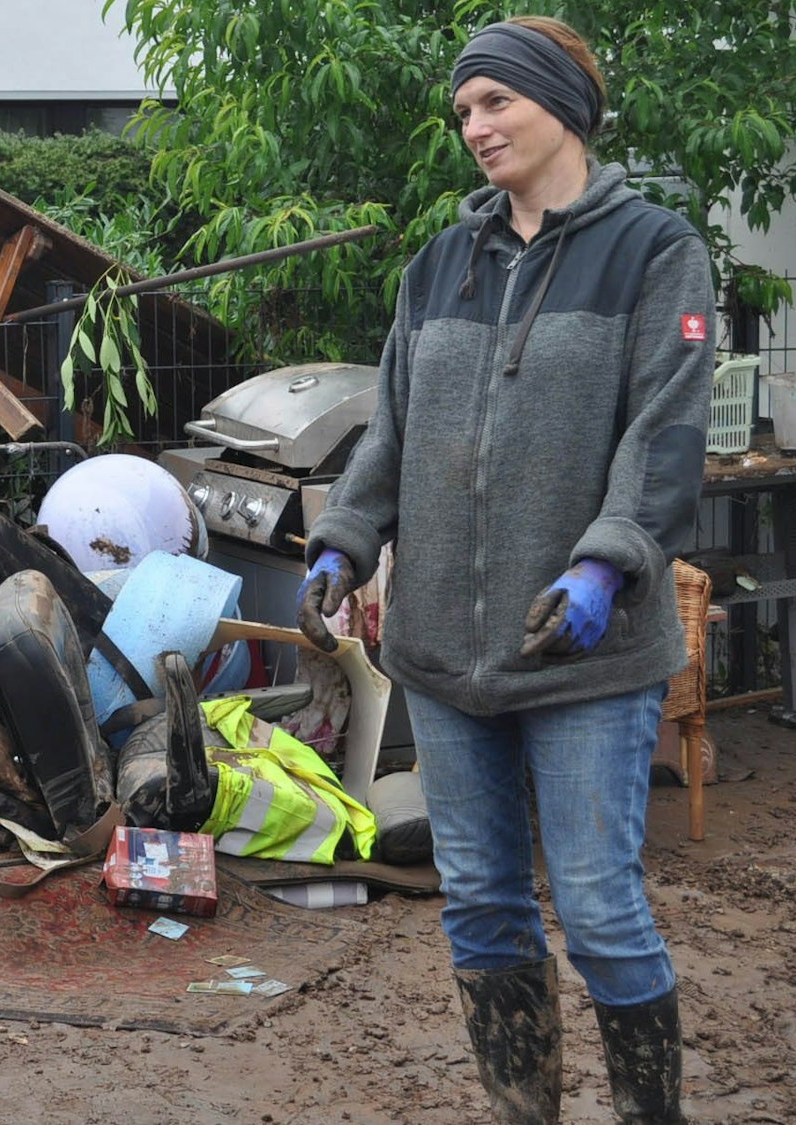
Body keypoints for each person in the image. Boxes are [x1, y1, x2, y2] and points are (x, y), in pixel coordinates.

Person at [299, 17, 711, 1124]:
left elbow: (662, 438)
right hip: (441, 651)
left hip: (582, 647)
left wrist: (604, 566)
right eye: (462, 113)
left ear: (559, 106)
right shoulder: (443, 263)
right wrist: (345, 532)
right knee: (478, 903)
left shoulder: (653, 251)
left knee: (597, 905)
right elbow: (389, 427)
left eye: (493, 104)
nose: (473, 129)